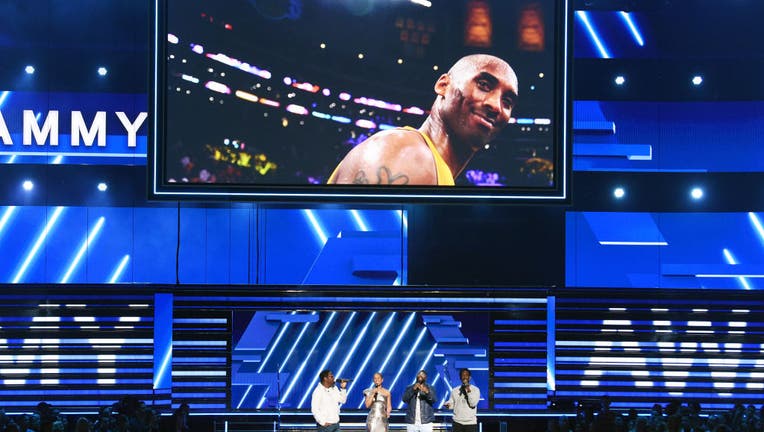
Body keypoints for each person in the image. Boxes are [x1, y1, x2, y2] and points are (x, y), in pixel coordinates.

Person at [328, 54, 518, 186]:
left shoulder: (433, 167)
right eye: (483, 85)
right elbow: (358, 243)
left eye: (507, 101)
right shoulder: (408, 153)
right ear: (443, 85)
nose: (496, 106)